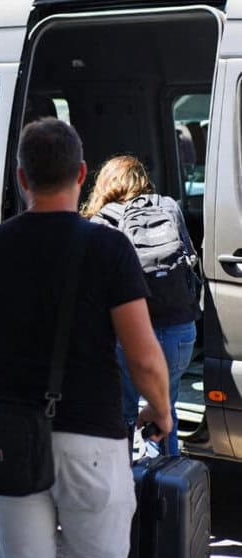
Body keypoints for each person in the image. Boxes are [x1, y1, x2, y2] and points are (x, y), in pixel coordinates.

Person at [0, 118, 172, 558]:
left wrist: (7, 351)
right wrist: (161, 409)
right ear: (82, 173)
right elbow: (143, 356)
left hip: (12, 436)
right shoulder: (109, 247)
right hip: (93, 439)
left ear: (21, 177)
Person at [82, 154, 199, 456]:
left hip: (129, 335)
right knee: (164, 411)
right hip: (180, 330)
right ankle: (169, 479)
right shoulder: (169, 206)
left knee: (123, 413)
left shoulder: (101, 221)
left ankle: (127, 478)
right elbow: (190, 261)